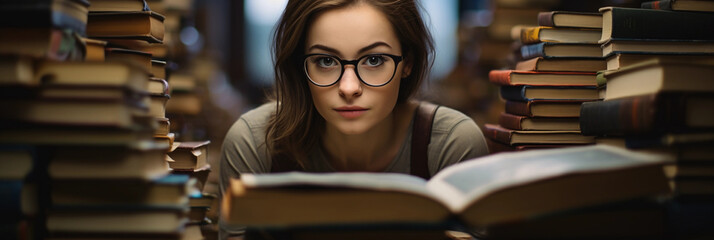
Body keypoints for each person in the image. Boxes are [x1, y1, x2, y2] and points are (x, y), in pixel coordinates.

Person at [218, 0, 489, 238]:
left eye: (373, 60)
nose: (349, 88)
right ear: (301, 66)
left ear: (407, 61)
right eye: (325, 61)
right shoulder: (254, 143)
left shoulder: (452, 145)